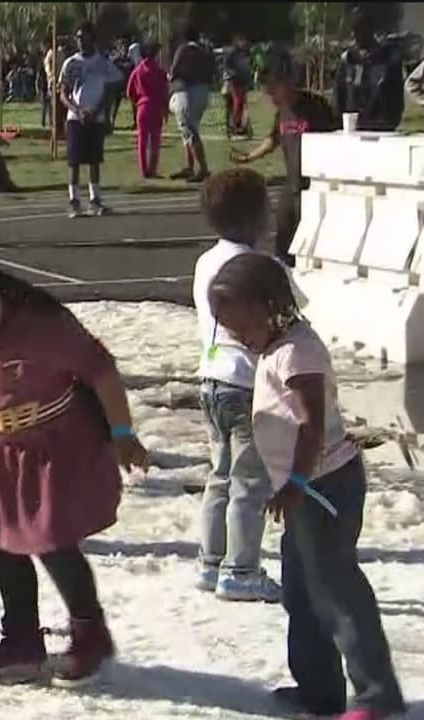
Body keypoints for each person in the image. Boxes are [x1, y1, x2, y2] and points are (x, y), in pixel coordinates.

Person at [0, 227, 147, 687]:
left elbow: (101, 368)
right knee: (4, 542)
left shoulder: (42, 325)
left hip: (49, 449)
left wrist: (122, 432)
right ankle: (21, 638)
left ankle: (90, 634)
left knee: (50, 542)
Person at [207, 252, 406, 720]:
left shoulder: (299, 352)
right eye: (232, 332)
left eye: (244, 328)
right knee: (301, 593)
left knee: (337, 592)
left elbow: (311, 425)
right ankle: (319, 692)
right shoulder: (276, 348)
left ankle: (377, 696)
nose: (240, 339)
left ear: (272, 306)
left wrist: (295, 481)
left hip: (324, 487)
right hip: (302, 492)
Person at [191, 169, 281, 602]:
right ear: (254, 217)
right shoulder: (260, 266)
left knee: (220, 476)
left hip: (212, 375)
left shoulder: (206, 261)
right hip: (248, 382)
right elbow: (294, 311)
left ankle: (212, 561)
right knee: (249, 481)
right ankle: (241, 569)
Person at [233, 62, 337, 264]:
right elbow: (273, 139)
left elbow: (335, 137)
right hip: (292, 183)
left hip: (315, 183)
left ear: (285, 83)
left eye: (273, 90)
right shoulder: (282, 111)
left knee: (314, 237)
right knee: (284, 235)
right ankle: (284, 269)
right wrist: (249, 157)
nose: (271, 97)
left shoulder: (315, 106)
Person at [59, 22, 123, 218]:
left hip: (96, 117)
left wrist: (97, 110)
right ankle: (74, 201)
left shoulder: (103, 63)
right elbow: (63, 93)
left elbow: (113, 86)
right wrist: (76, 110)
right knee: (74, 161)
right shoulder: (71, 63)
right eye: (78, 37)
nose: (80, 41)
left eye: (84, 37)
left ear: (92, 39)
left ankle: (95, 201)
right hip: (75, 118)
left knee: (94, 160)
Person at [334, 8, 404, 132]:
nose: (355, 36)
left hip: (381, 127)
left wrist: (390, 121)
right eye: (353, 31)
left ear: (370, 30)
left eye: (359, 30)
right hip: (352, 127)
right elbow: (339, 94)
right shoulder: (348, 60)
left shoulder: (388, 61)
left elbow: (396, 95)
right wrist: (341, 121)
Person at [168, 26, 216, 181]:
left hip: (186, 91)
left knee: (189, 131)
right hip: (203, 91)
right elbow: (213, 72)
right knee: (189, 130)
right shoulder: (204, 51)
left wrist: (170, 80)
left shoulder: (183, 50)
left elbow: (174, 71)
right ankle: (190, 167)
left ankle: (202, 168)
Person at [126, 42, 168, 179]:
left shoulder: (137, 71)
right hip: (156, 106)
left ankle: (144, 170)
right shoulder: (160, 72)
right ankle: (152, 169)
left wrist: (137, 102)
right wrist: (165, 108)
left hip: (142, 106)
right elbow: (164, 92)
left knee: (142, 141)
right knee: (155, 140)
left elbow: (129, 91)